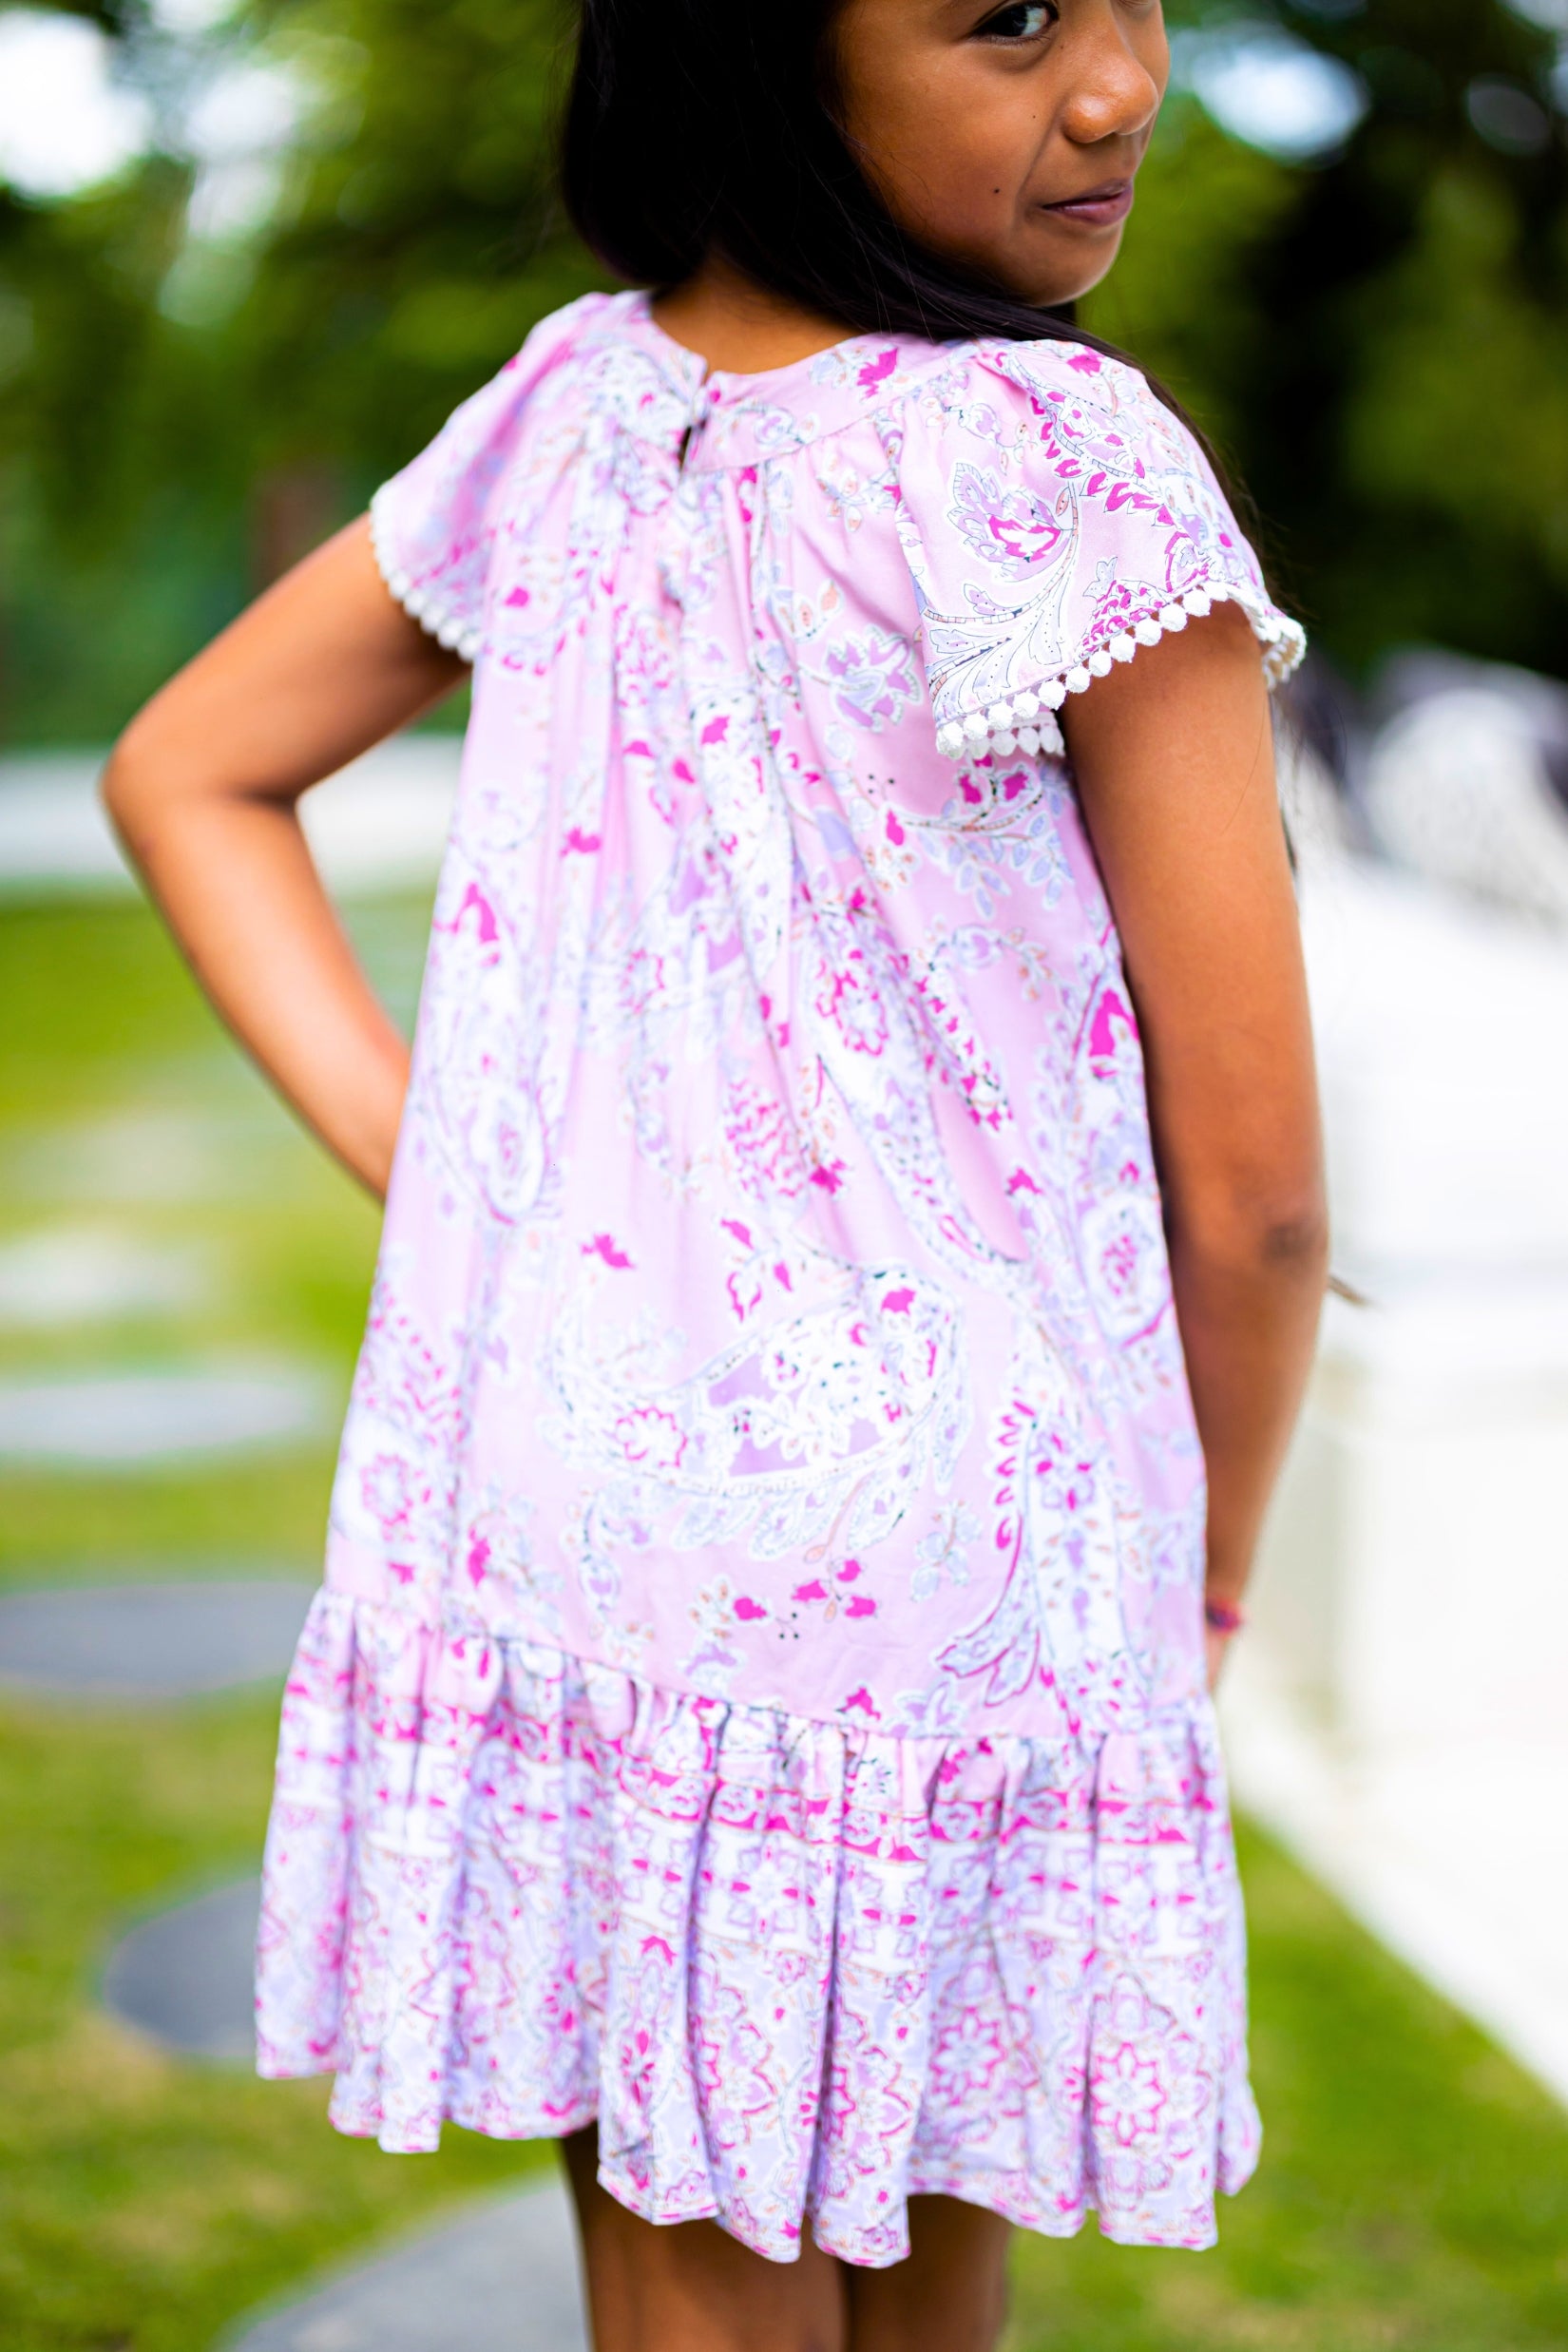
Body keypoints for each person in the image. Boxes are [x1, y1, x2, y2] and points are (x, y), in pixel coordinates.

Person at [103, 0, 1328, 2342]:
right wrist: (1217, 1560)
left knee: (683, 2276)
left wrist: (461, 1186)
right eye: (1005, 17)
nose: (1121, 82)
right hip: (957, 1565)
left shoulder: (569, 409)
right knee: (926, 2266)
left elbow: (187, 771)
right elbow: (1257, 1183)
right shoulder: (1062, 459)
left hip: (583, 1518)